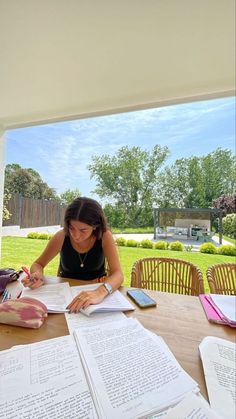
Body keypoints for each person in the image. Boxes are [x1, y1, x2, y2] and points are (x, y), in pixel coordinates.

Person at [22, 197, 124, 313]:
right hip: (65, 295)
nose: (76, 235)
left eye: (83, 230)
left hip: (96, 289)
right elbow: (38, 264)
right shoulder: (61, 236)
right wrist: (37, 274)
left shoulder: (104, 236)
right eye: (71, 228)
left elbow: (118, 274)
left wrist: (99, 292)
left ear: (95, 226)